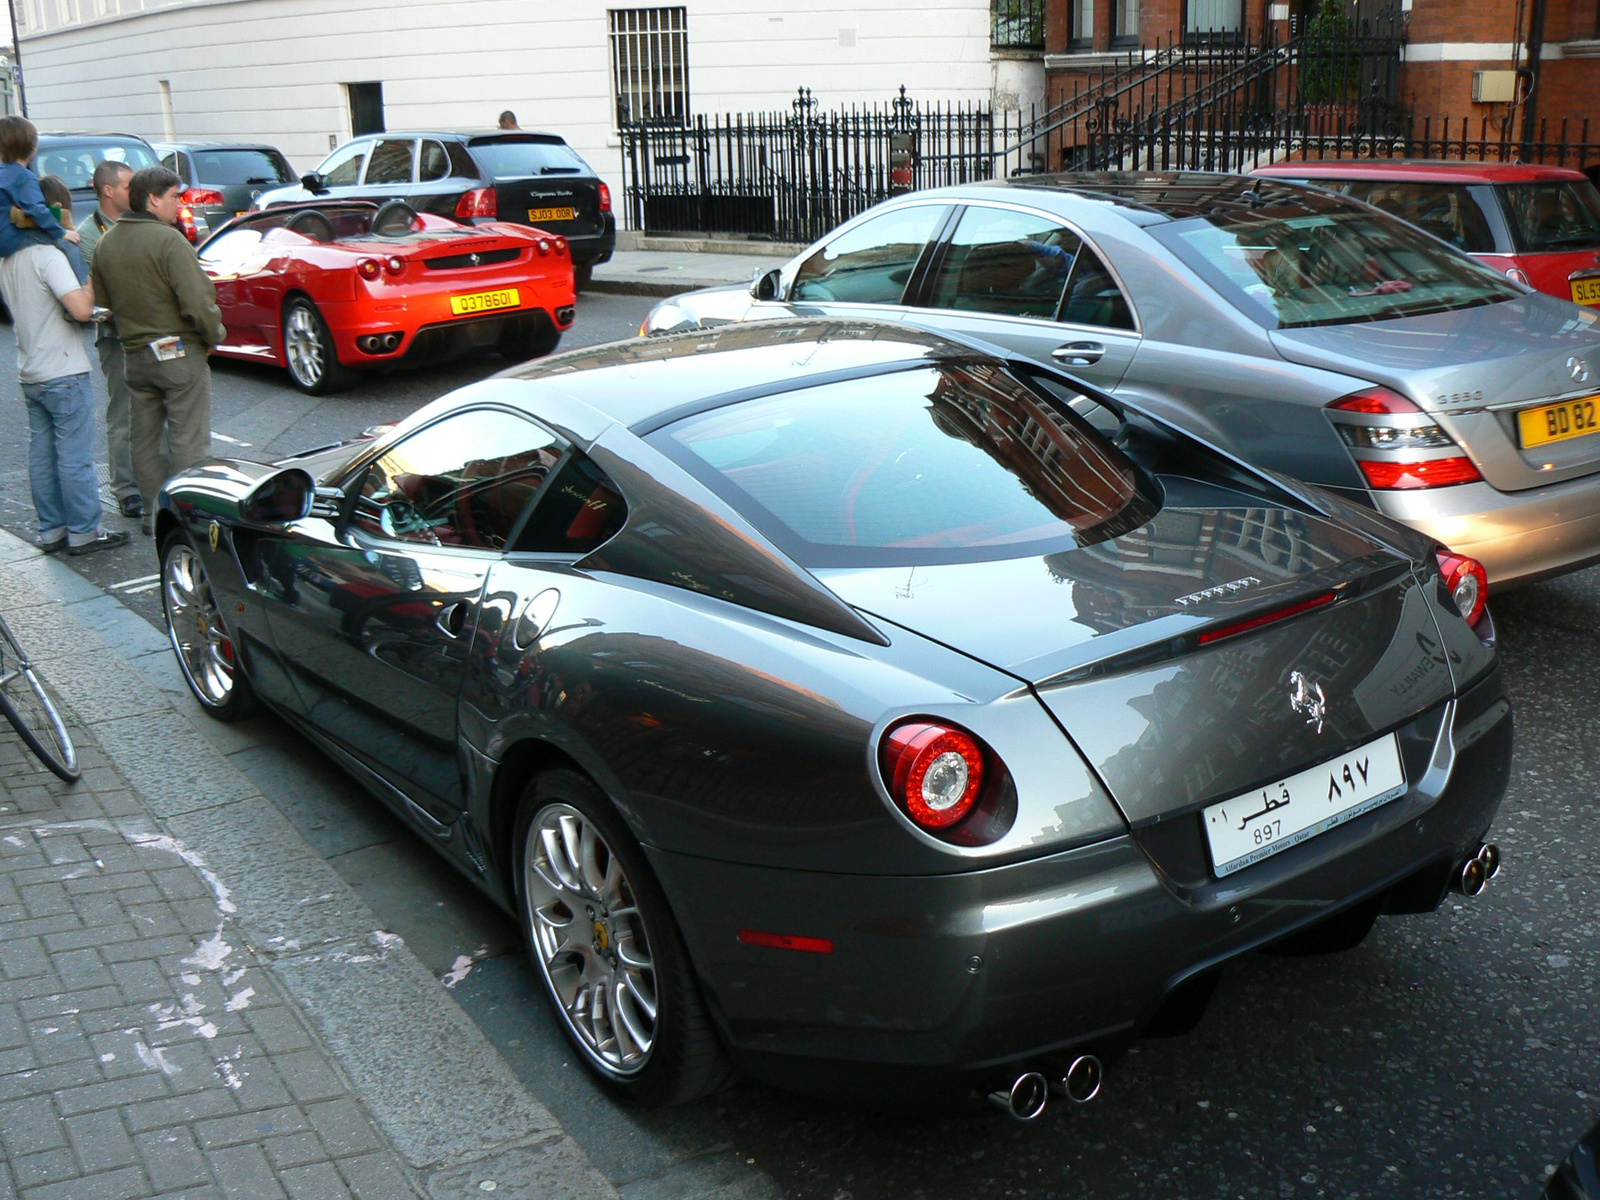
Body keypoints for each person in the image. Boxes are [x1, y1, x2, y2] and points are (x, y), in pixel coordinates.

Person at [89, 166, 226, 533]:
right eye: (174, 197)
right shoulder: (169, 241)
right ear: (152, 199)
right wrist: (214, 334)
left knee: (144, 437)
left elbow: (104, 304)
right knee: (189, 438)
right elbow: (198, 301)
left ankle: (154, 513)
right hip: (179, 351)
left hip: (135, 354)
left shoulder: (106, 243)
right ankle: (186, 517)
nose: (179, 204)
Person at [0, 180, 129, 556]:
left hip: (30, 368)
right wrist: (86, 280)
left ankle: (51, 530)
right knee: (75, 457)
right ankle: (85, 531)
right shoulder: (48, 256)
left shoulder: (8, 259)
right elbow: (81, 310)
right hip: (64, 369)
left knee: (42, 455)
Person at [76, 158, 142, 519]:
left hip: (147, 331)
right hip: (116, 336)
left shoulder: (137, 223)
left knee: (156, 411)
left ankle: (154, 481)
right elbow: (98, 293)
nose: (135, 192)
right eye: (129, 186)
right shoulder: (90, 235)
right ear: (108, 190)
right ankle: (126, 489)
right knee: (124, 413)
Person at [0, 115, 89, 285]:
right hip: (12, 238)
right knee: (70, 245)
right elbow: (37, 210)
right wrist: (62, 232)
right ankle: (83, 284)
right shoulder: (24, 176)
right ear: (33, 147)